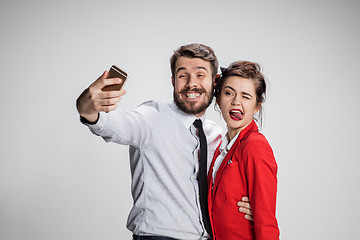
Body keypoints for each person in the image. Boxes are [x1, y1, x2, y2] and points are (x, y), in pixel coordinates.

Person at [76, 43, 253, 240]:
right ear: (173, 81)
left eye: (200, 75)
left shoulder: (217, 135)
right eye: (182, 75)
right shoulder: (152, 118)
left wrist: (246, 206)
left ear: (215, 81)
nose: (191, 83)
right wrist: (87, 108)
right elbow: (111, 123)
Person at [208, 61, 280, 239]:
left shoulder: (255, 146)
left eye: (246, 96)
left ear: (257, 106)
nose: (235, 102)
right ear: (218, 99)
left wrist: (257, 209)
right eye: (228, 93)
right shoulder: (219, 148)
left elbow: (266, 222)